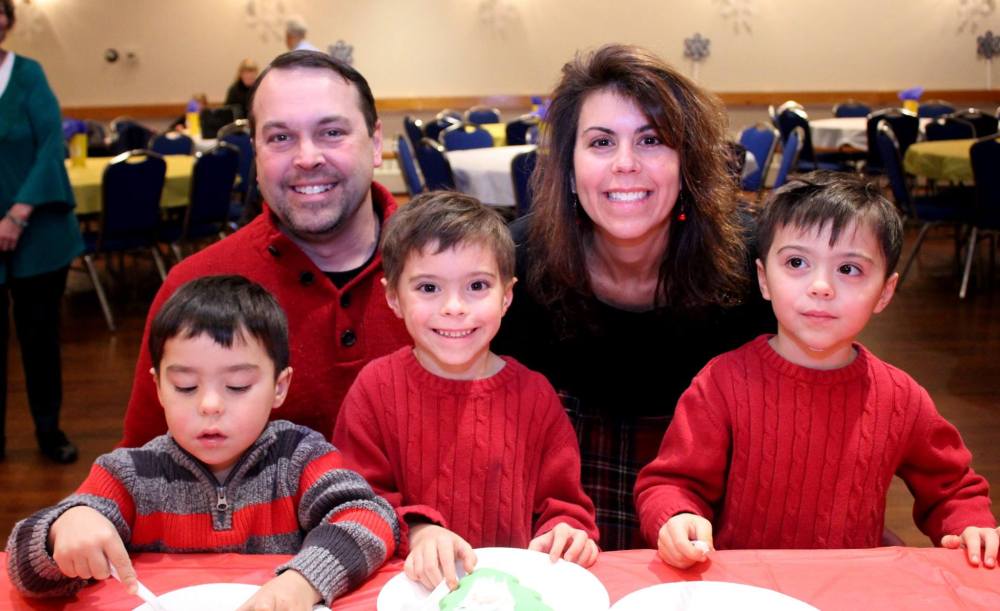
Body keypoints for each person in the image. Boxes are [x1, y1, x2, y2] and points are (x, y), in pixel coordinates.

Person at [635, 172, 999, 570]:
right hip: (743, 586)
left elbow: (952, 488)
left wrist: (969, 525)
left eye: (849, 269)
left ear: (885, 292)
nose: (821, 286)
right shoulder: (722, 382)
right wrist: (677, 517)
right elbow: (672, 483)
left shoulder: (901, 398)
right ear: (764, 279)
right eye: (797, 262)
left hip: (850, 587)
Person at [491, 43, 773, 550]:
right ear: (568, 167)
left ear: (687, 162)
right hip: (556, 525)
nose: (625, 163)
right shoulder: (515, 266)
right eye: (601, 142)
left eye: (651, 140)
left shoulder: (753, 267)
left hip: (711, 522)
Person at [6, 275, 399, 607]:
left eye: (237, 385)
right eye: (186, 386)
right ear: (159, 387)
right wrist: (63, 528)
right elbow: (23, 573)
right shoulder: (129, 474)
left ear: (280, 387)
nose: (210, 405)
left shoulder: (301, 457)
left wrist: (304, 580)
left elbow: (369, 518)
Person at [119, 51, 411, 448]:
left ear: (375, 143)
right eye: (280, 138)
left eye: (331, 132)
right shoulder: (194, 285)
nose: (307, 158)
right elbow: (143, 462)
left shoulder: (455, 278)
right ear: (255, 154)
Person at [332, 192, 599, 591]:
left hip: (511, 593)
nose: (454, 307)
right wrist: (418, 530)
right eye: (428, 288)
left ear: (506, 296)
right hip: (408, 592)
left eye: (477, 285)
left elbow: (565, 505)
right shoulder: (375, 389)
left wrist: (566, 531)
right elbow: (354, 502)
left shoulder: (535, 395)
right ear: (393, 298)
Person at [0, 0, 84, 463]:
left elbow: (51, 146)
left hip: (39, 234)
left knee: (39, 341)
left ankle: (49, 432)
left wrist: (17, 214)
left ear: (8, 21)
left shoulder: (28, 74)